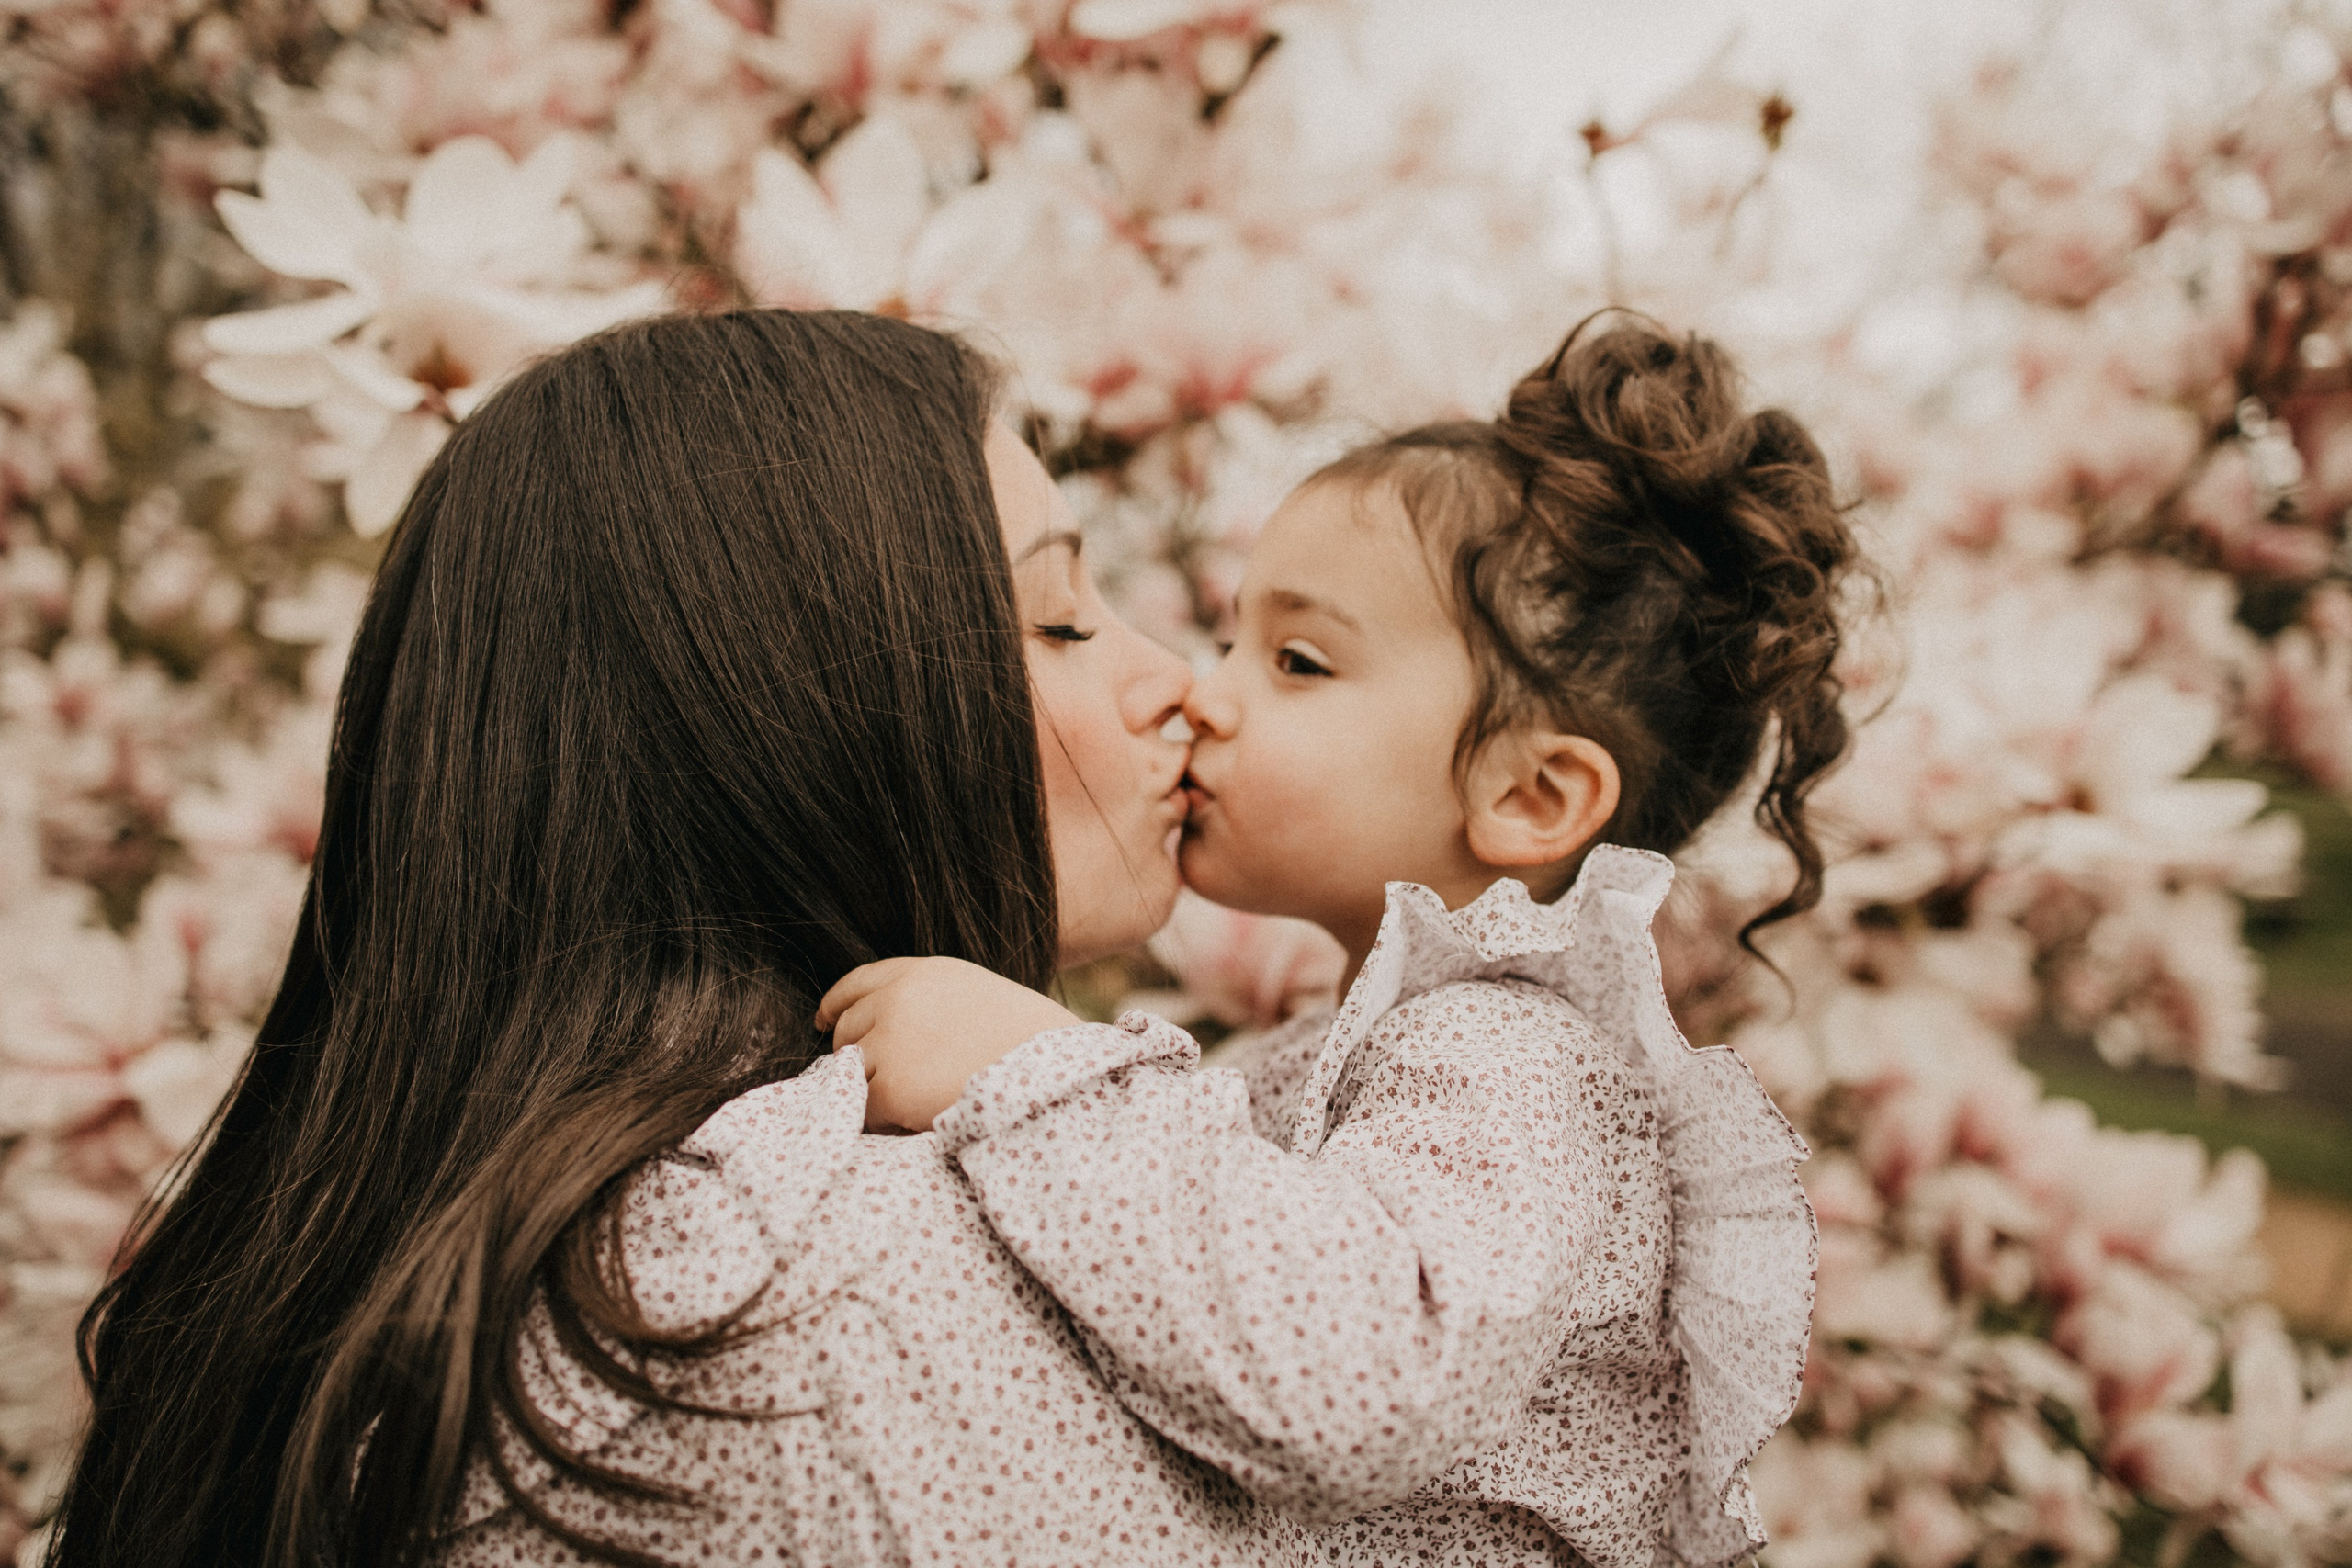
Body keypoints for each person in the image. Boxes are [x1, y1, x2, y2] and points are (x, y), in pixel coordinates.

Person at [45, 310, 1320, 1568]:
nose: (1181, 682)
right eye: (1060, 620)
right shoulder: (829, 1297)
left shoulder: (407, 1286)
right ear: (799, 719)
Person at [825, 315, 1849, 1567]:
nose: (1203, 691)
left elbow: (1365, 1383)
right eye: (1230, 639)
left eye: (1297, 661)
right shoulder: (1379, 1042)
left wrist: (1031, 1075)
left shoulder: (1517, 1061)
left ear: (1529, 796)